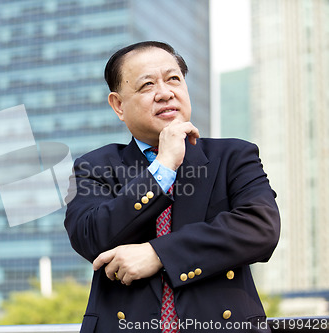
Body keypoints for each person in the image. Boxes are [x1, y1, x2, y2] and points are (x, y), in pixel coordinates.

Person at [64, 41, 281, 333]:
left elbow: (260, 228)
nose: (165, 93)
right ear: (118, 105)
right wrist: (162, 167)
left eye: (173, 79)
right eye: (147, 85)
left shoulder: (233, 156)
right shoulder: (94, 165)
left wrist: (158, 254)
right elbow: (90, 237)